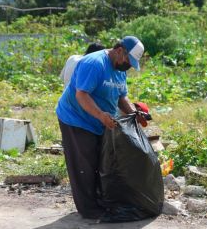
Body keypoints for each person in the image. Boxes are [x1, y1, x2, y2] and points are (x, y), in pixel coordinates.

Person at [56, 36, 145, 219]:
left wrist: (133, 113)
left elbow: (122, 96)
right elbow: (82, 95)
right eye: (128, 61)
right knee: (84, 164)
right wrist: (100, 115)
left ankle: (100, 200)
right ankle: (88, 209)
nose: (128, 65)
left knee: (101, 161)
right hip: (76, 118)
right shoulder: (94, 63)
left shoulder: (120, 69)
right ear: (120, 50)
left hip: (100, 120)